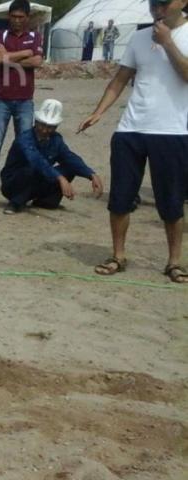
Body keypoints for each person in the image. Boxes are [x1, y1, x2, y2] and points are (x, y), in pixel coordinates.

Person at [78, 0, 188, 283]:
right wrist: (98, 112)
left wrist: (168, 43)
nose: (157, 9)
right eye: (153, 3)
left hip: (172, 131)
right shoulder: (139, 37)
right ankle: (118, 255)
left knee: (171, 201)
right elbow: (120, 79)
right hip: (130, 129)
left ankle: (174, 262)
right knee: (120, 198)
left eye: (163, 3)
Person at [0, 0, 44, 198]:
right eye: (14, 17)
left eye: (21, 17)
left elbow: (37, 61)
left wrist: (10, 56)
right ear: (9, 16)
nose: (17, 21)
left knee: (25, 145)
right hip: (1, 99)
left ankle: (20, 184)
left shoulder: (35, 36)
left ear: (27, 18)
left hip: (25, 100)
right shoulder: (0, 35)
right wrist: (25, 53)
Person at [0, 99, 103, 215]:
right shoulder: (24, 139)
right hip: (13, 184)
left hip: (37, 181)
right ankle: (15, 202)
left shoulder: (56, 139)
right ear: (36, 122)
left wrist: (91, 174)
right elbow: (36, 161)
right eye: (42, 125)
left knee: (69, 168)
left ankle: (46, 201)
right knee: (31, 169)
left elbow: (69, 157)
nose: (45, 130)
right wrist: (60, 178)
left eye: (50, 127)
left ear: (56, 127)